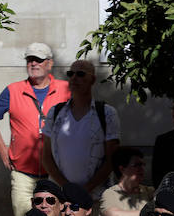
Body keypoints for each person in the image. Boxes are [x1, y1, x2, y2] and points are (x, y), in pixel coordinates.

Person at [0, 42, 70, 216]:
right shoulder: (14, 90)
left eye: (39, 60)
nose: (33, 64)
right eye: (30, 60)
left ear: (49, 63)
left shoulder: (65, 89)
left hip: (55, 171)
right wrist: (2, 149)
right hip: (23, 172)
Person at [40, 59, 119, 196]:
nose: (74, 78)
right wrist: (67, 188)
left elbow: (111, 159)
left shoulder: (107, 113)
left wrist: (86, 189)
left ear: (92, 79)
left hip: (96, 196)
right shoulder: (55, 112)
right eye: (71, 74)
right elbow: (46, 156)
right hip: (61, 196)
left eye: (81, 74)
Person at [98, 146, 153, 216]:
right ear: (122, 169)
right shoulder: (110, 194)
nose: (142, 169)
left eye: (143, 164)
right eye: (137, 165)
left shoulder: (149, 192)